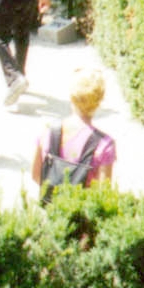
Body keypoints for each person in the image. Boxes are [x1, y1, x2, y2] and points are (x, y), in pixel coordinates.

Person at [31, 67, 115, 198]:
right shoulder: (104, 144)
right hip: (83, 215)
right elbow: (103, 193)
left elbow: (36, 175)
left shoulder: (48, 131)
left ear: (71, 96)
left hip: (52, 210)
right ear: (99, 101)